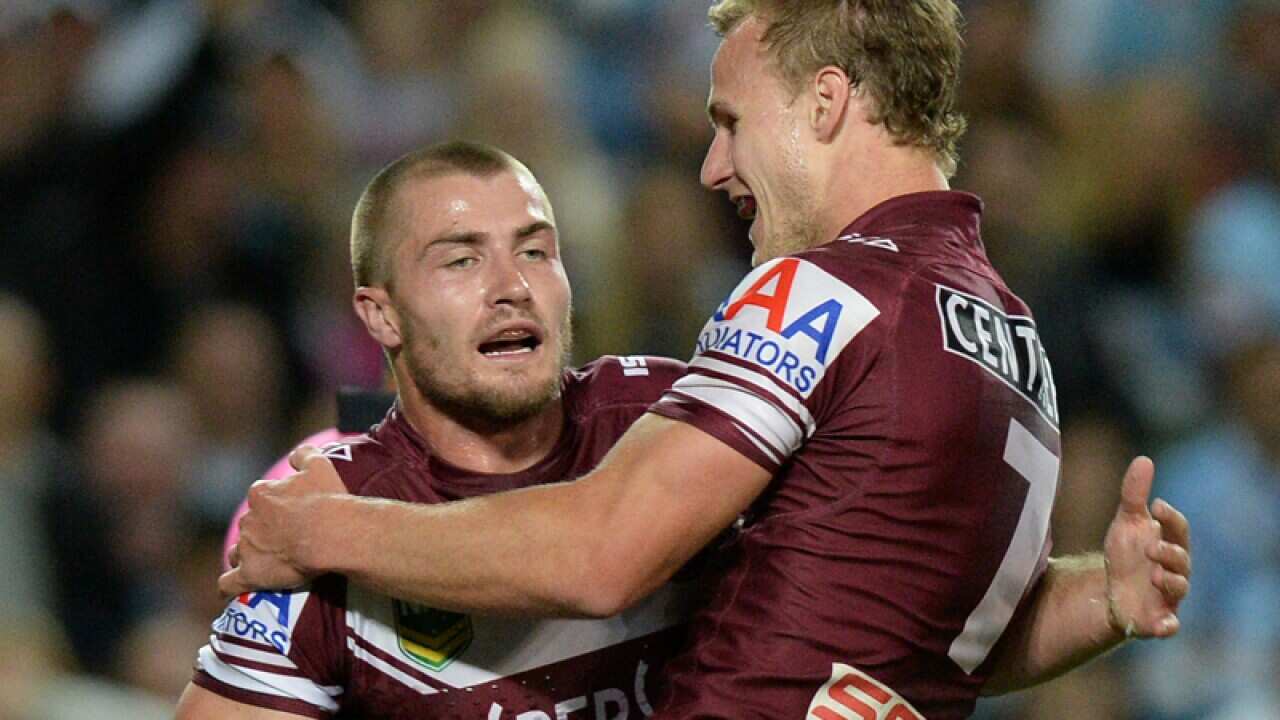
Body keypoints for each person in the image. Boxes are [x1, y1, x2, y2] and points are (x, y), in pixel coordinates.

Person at [224, 5, 1192, 711]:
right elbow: (939, 638)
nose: (711, 166)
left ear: (824, 103)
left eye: (730, 121)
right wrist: (1100, 598)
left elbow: (601, 554)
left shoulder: (819, 294)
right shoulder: (1010, 334)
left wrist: (323, 530)